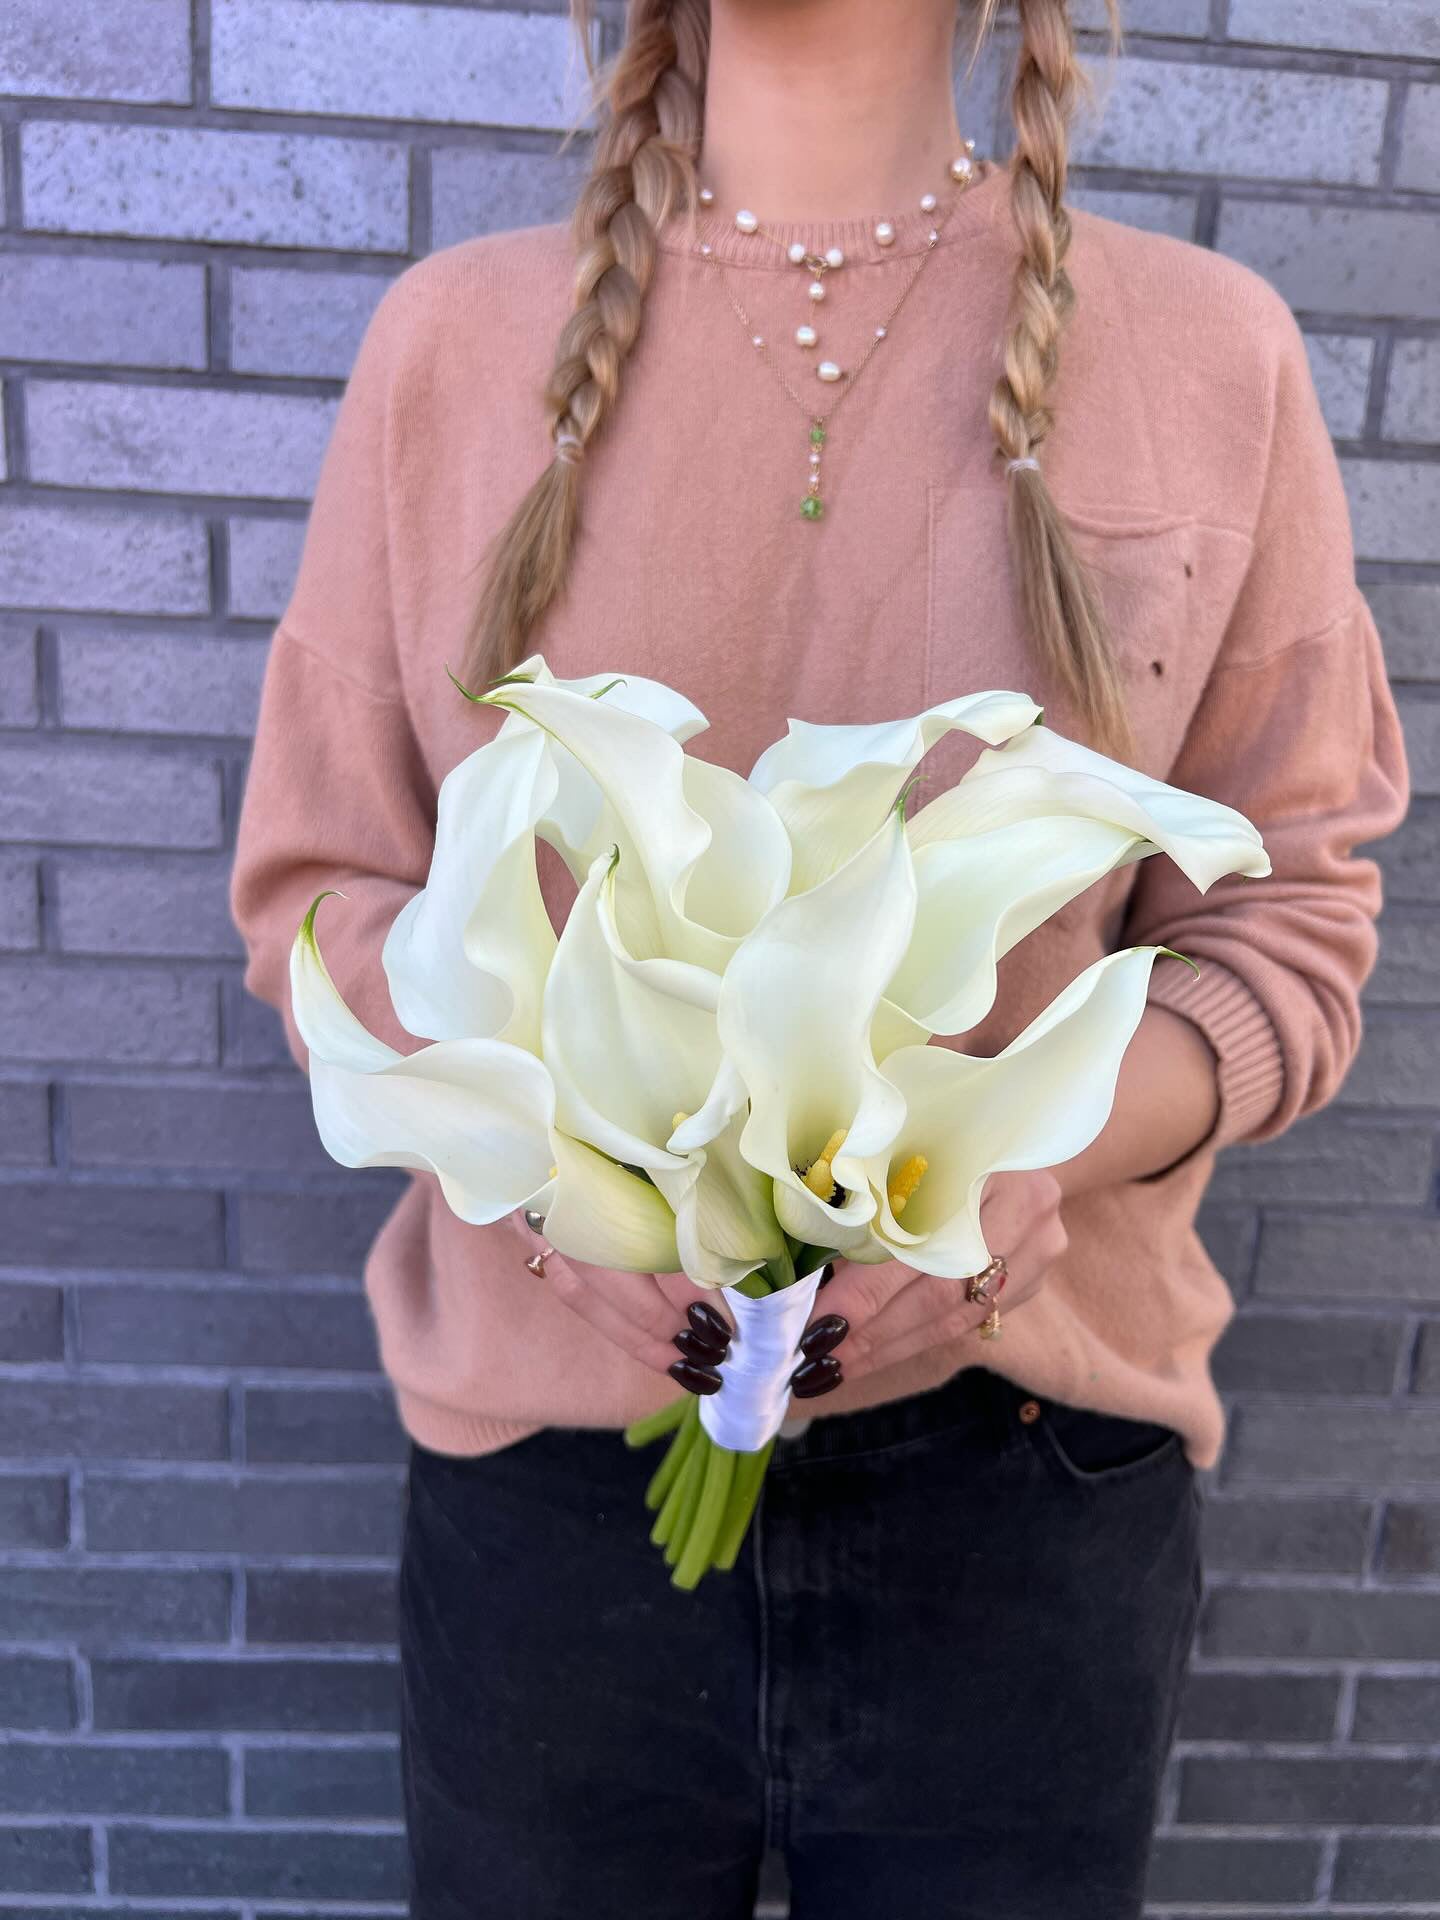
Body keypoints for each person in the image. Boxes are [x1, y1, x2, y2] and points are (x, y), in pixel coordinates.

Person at [229, 0, 1410, 1912]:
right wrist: (581, 1203)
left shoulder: (1209, 356)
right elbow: (319, 898)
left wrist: (1024, 1162)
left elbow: (1284, 915)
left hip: (1030, 1489)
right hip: (561, 1487)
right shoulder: (452, 351)